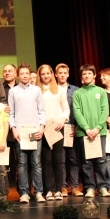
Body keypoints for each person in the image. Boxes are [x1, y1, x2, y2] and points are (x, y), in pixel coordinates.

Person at [9, 63, 46, 203]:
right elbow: (11, 113)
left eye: (27, 73)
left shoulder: (37, 90)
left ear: (30, 75)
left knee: (36, 163)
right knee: (22, 164)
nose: (25, 76)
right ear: (18, 75)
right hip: (20, 132)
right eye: (22, 73)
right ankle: (24, 192)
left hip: (35, 131)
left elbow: (41, 111)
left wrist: (41, 128)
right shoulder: (13, 91)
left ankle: (38, 192)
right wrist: (14, 129)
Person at [73, 64, 110, 198]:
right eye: (84, 74)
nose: (87, 76)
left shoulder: (101, 91)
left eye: (89, 73)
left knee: (101, 160)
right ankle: (89, 187)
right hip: (84, 133)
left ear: (94, 75)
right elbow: (77, 112)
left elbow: (105, 110)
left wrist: (98, 127)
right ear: (81, 77)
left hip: (100, 132)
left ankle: (102, 187)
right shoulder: (77, 93)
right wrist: (87, 129)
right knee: (86, 162)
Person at [37, 65, 70, 201]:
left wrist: (62, 120)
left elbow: (66, 108)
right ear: (39, 76)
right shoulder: (37, 90)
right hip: (44, 128)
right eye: (43, 74)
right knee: (46, 160)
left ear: (52, 74)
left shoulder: (60, 90)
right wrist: (42, 124)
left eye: (48, 73)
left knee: (58, 159)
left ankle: (58, 189)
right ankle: (48, 190)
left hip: (57, 127)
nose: (45, 76)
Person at [55, 63, 82, 196]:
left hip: (72, 128)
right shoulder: (52, 90)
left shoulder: (76, 90)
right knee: (61, 160)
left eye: (65, 73)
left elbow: (79, 110)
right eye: (60, 73)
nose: (62, 75)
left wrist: (77, 127)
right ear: (56, 74)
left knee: (73, 158)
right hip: (57, 128)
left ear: (68, 74)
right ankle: (63, 186)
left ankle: (75, 186)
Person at [2, 64, 18, 185]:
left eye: (10, 71)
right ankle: (9, 183)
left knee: (21, 157)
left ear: (15, 73)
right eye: (5, 71)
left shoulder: (21, 87)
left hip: (19, 126)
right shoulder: (0, 88)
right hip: (4, 126)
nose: (7, 73)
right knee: (8, 157)